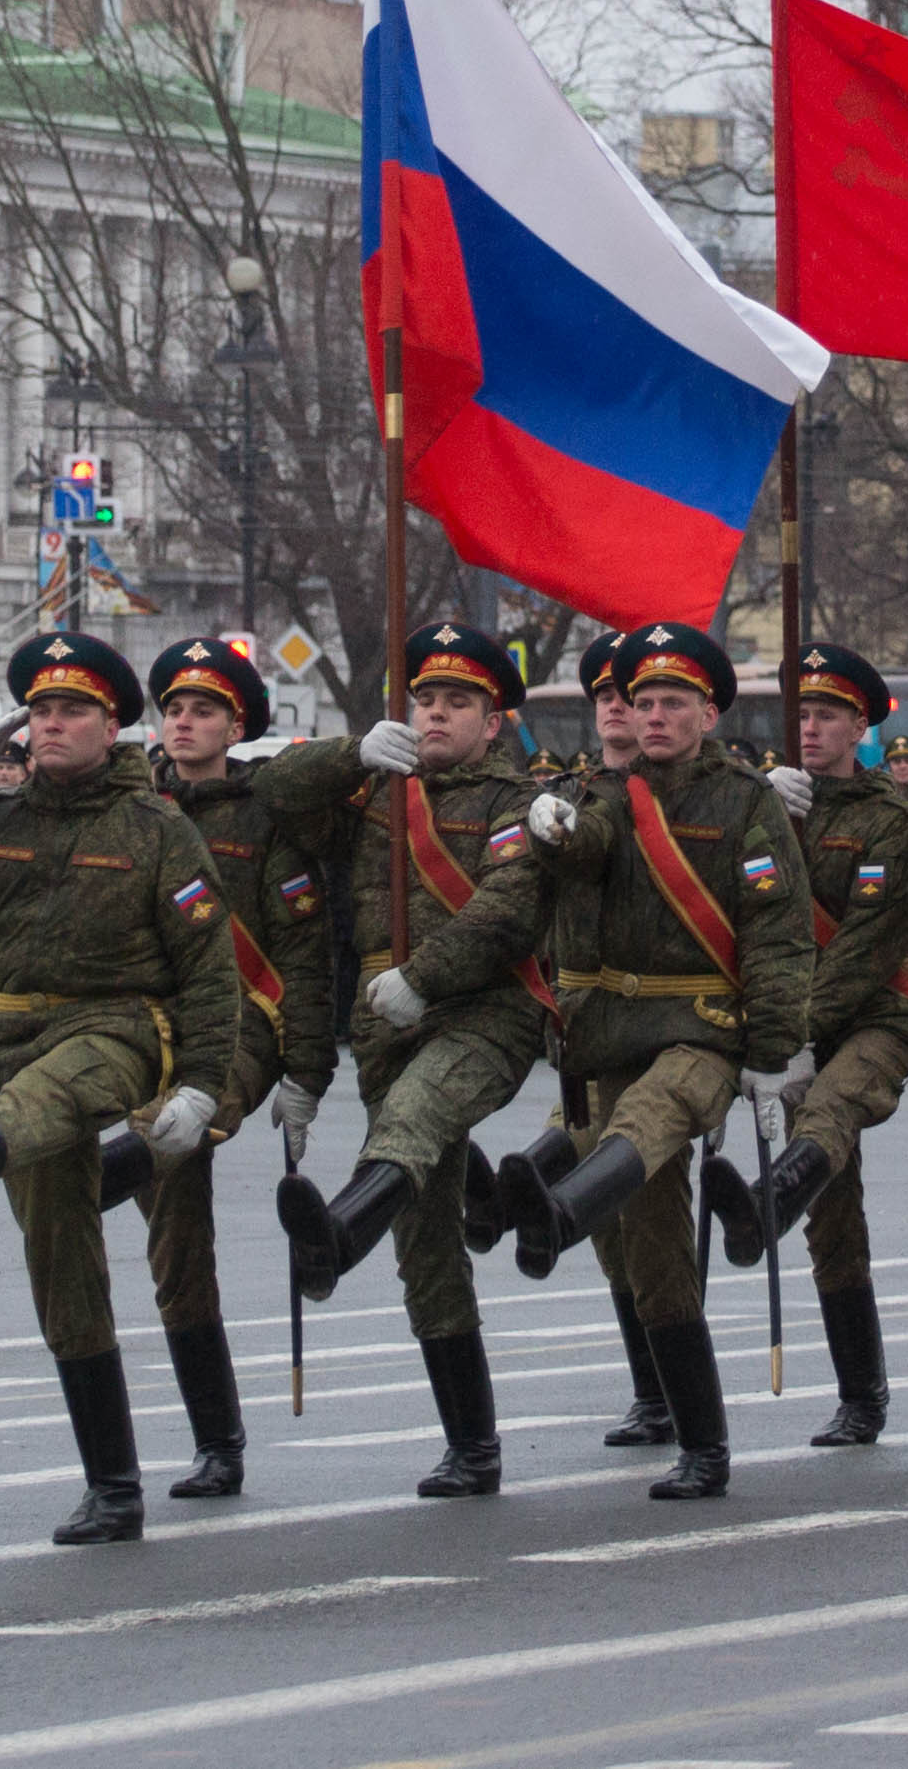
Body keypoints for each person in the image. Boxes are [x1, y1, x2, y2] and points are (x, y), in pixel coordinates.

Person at [392, 620, 806, 1503]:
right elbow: (583, 851)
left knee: (645, 1127)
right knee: (653, 1245)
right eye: (640, 702)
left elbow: (776, 933)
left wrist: (773, 1053)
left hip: (701, 1024)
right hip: (609, 1028)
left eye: (670, 703)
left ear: (707, 712)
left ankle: (556, 1215)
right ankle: (698, 1434)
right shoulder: (601, 795)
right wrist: (553, 829)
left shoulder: (744, 802)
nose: (651, 716)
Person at [0, 630, 240, 1548]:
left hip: (121, 1028)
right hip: (12, 1031)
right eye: (40, 712)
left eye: (73, 712)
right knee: (60, 1262)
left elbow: (211, 972)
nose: (52, 725)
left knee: (54, 1096)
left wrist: (206, 1089)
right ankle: (113, 1487)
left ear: (112, 728)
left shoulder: (155, 830)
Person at [263, 620, 562, 1499]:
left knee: (415, 1117)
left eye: (457, 702)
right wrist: (350, 754)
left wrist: (424, 978)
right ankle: (471, 1443)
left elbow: (508, 911)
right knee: (424, 1240)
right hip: (383, 1014)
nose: (435, 714)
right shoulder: (375, 791)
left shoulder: (517, 803)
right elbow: (279, 796)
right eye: (425, 699)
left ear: (493, 721)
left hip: (484, 1009)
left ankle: (338, 1231)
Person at [129, 637, 335, 1500]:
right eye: (174, 709)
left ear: (236, 725)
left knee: (172, 1144)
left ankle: (219, 1446)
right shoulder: (130, 806)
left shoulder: (262, 817)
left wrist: (307, 1072)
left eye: (203, 711)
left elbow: (301, 947)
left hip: (243, 1031)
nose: (184, 723)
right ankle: (216, 1436)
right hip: (145, 1027)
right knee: (175, 1244)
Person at [747, 641, 908, 1446]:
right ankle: (862, 1392)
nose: (810, 729)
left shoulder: (888, 821)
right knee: (834, 1212)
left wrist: (792, 1035)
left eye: (826, 715)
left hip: (876, 1015)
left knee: (826, 1107)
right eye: (800, 715)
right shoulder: (757, 803)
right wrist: (758, 814)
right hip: (788, 1023)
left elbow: (864, 949)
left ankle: (765, 1203)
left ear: (859, 725)